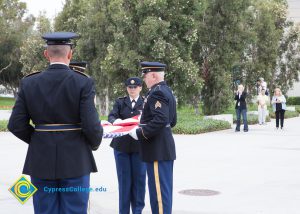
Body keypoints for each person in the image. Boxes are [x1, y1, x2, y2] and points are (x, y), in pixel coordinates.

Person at [7, 32, 103, 214]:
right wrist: (94, 143)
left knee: (44, 210)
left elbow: (15, 124)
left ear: (46, 54)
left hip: (41, 159)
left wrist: (39, 139)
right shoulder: (83, 82)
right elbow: (91, 125)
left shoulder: (29, 82)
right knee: (75, 210)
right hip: (76, 158)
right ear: (70, 54)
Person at [129, 62, 177, 214]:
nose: (144, 80)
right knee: (160, 192)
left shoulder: (157, 92)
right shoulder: (166, 90)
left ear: (154, 75)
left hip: (157, 150)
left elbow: (161, 119)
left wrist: (140, 133)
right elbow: (172, 120)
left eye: (145, 76)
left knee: (159, 196)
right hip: (161, 148)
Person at [108, 77, 146, 214]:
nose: (132, 89)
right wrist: (117, 121)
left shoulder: (146, 103)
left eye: (135, 87)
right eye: (130, 87)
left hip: (139, 147)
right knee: (124, 182)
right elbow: (111, 116)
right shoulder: (120, 102)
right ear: (126, 88)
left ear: (141, 88)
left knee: (139, 181)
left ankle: (137, 211)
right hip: (121, 147)